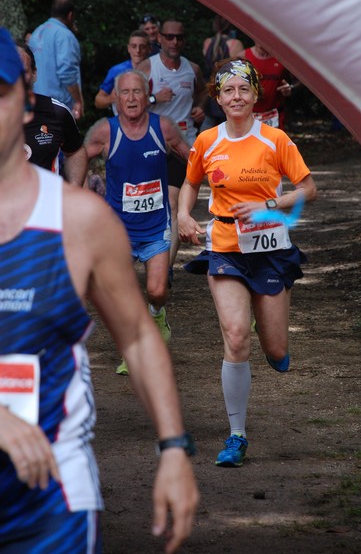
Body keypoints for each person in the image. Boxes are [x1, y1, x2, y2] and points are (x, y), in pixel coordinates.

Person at [0, 27, 198, 553]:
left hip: (53, 496)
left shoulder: (79, 221)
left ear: (27, 107)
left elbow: (135, 336)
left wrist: (174, 448)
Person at [177, 59, 317, 468]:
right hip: (225, 246)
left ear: (256, 95)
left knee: (275, 350)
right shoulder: (206, 141)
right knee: (236, 335)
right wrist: (184, 215)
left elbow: (309, 189)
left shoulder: (275, 140)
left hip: (270, 247)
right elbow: (190, 183)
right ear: (217, 98)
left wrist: (269, 204)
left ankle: (272, 337)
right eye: (228, 90)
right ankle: (237, 436)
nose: (235, 97)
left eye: (243, 89)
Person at [84, 69, 190, 374]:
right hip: (118, 231)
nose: (131, 98)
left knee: (156, 290)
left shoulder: (164, 128)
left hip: (156, 226)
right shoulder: (106, 131)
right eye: (125, 93)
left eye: (137, 92)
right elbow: (77, 157)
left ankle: (157, 314)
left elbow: (194, 159)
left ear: (148, 96)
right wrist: (84, 185)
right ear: (116, 99)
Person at [137, 19, 207, 285]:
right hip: (151, 147)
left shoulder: (193, 69)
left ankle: (165, 268)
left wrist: (200, 108)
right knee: (150, 207)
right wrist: (154, 99)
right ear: (161, 40)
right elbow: (127, 102)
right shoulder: (147, 67)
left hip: (182, 147)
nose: (174, 42)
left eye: (179, 37)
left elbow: (202, 93)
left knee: (174, 204)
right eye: (169, 37)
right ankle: (150, 256)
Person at [18, 43, 88, 186]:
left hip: (45, 205)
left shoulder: (57, 112)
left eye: (22, 72)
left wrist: (74, 187)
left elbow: (75, 151)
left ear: (34, 73)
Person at [29, 0, 84, 120]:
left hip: (36, 104)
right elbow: (67, 73)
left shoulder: (37, 32)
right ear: (70, 15)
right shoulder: (65, 35)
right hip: (58, 107)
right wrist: (78, 101)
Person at [236, 42, 297, 130]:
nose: (261, 43)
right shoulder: (243, 57)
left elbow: (302, 80)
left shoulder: (282, 58)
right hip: (248, 114)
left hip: (274, 115)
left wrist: (291, 87)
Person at [201, 15, 244, 131]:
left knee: (208, 124)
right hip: (228, 92)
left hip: (210, 92)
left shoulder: (207, 42)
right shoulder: (235, 44)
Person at [94, 30, 151, 114]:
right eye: (134, 46)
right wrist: (111, 98)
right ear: (128, 48)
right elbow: (98, 101)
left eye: (142, 47)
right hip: (123, 124)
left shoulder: (158, 68)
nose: (138, 51)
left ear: (149, 49)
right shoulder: (117, 70)